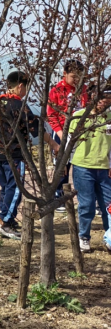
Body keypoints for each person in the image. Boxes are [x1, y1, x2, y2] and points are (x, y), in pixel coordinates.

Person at [0, 71, 39, 240]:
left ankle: (4, 218)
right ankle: (5, 222)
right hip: (15, 154)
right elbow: (35, 129)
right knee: (16, 188)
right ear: (20, 86)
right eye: (26, 88)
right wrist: (53, 143)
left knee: (6, 187)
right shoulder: (19, 106)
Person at [68, 89, 111, 255]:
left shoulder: (109, 118)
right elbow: (69, 142)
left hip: (104, 168)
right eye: (102, 98)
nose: (104, 102)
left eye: (108, 99)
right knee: (87, 205)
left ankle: (109, 237)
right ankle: (84, 236)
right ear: (92, 97)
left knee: (109, 205)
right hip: (83, 167)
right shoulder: (79, 116)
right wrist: (64, 163)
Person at [47, 61, 89, 208]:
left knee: (82, 165)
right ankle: (58, 198)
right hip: (62, 132)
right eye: (73, 76)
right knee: (62, 166)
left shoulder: (84, 89)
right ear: (64, 74)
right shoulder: (56, 91)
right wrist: (60, 134)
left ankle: (85, 197)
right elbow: (51, 115)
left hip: (82, 132)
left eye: (79, 76)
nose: (76, 80)